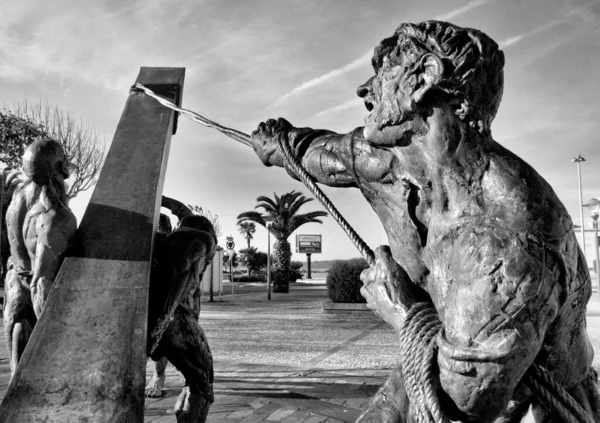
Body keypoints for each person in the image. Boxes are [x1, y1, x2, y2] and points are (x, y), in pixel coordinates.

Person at [249, 20, 600, 422]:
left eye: (383, 74)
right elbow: (320, 156)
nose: (365, 89)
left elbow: (465, 399)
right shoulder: (387, 162)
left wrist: (403, 313)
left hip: (536, 404)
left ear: (426, 77)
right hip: (441, 355)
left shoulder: (510, 236)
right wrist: (279, 142)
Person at [3, 138, 77, 375]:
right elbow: (41, 284)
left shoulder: (16, 196)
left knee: (17, 374)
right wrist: (59, 344)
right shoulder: (55, 216)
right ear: (59, 169)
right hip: (32, 297)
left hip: (14, 285)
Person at [147, 195, 216, 423]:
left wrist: (158, 198)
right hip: (176, 320)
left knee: (197, 379)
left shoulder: (159, 241)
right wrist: (162, 320)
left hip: (158, 316)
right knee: (202, 379)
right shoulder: (199, 240)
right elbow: (180, 277)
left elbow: (182, 212)